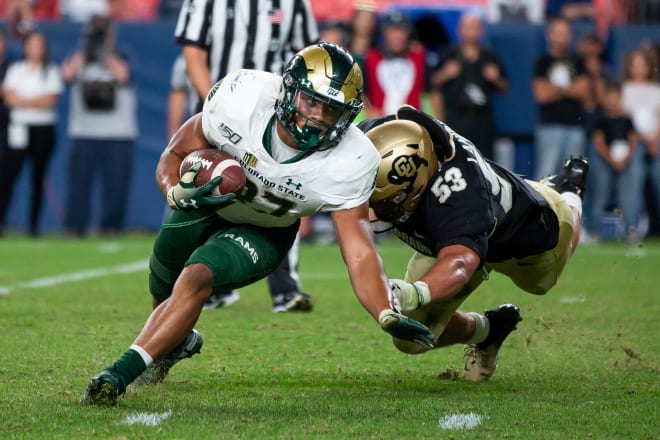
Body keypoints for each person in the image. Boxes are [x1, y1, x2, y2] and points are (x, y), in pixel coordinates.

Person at [80, 43, 435, 406]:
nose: (316, 118)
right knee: (162, 282)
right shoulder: (241, 99)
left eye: (330, 110)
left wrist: (384, 311)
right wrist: (175, 193)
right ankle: (176, 341)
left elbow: (359, 251)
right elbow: (174, 153)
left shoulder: (352, 159)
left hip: (265, 229)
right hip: (204, 203)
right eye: (311, 102)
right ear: (288, 92)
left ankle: (118, 374)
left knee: (197, 276)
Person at [358, 105, 588, 381]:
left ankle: (567, 191)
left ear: (416, 184)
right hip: (448, 237)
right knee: (409, 338)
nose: (373, 209)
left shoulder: (462, 196)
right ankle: (491, 330)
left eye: (384, 200)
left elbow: (459, 262)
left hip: (523, 235)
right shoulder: (384, 137)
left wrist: (408, 293)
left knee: (545, 275)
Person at [174, 0, 319, 312]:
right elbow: (193, 56)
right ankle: (211, 284)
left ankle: (285, 288)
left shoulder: (294, 3)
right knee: (212, 189)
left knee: (281, 192)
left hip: (275, 119)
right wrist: (216, 106)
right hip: (221, 111)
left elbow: (308, 58)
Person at [61, 15, 138, 237]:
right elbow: (66, 74)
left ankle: (111, 228)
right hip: (83, 132)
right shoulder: (80, 57)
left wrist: (106, 52)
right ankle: (75, 228)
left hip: (118, 134)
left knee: (115, 188)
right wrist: (86, 49)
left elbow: (124, 75)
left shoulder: (124, 55)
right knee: (78, 186)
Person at [0, 31, 62, 237]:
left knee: (38, 178)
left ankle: (33, 227)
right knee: (9, 176)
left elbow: (50, 100)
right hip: (18, 128)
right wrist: (35, 102)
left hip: (42, 130)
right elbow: (8, 97)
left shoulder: (51, 71)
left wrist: (24, 101)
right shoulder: (16, 70)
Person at [429, 12, 509, 161]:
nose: (471, 31)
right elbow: (431, 84)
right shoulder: (448, 54)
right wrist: (445, 74)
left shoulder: (489, 56)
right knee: (455, 161)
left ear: (481, 31)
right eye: (468, 27)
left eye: (475, 27)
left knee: (485, 163)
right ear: (459, 30)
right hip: (455, 119)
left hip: (482, 121)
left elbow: (505, 87)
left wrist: (496, 78)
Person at [532, 17, 589, 180]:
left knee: (574, 177)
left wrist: (554, 88)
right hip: (549, 126)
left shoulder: (578, 61)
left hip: (575, 127)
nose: (561, 37)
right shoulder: (542, 62)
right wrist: (570, 88)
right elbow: (541, 95)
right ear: (549, 35)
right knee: (547, 174)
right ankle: (542, 207)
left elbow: (584, 94)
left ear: (570, 36)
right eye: (558, 33)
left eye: (565, 33)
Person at [588, 80, 642, 242]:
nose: (612, 101)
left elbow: (633, 140)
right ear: (604, 99)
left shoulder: (627, 119)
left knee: (629, 197)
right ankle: (592, 232)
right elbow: (598, 142)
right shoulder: (600, 120)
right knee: (600, 194)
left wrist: (625, 158)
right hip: (605, 160)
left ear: (620, 98)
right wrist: (612, 160)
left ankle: (631, 232)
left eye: (615, 97)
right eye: (608, 98)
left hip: (626, 161)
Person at [621, 48, 660, 243]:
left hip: (656, 144)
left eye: (642, 64)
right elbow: (623, 120)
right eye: (635, 64)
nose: (638, 68)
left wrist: (655, 140)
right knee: (632, 186)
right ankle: (631, 230)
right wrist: (638, 138)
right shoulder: (624, 89)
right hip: (633, 145)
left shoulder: (656, 89)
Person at [363, 9, 426, 118]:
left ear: (408, 33)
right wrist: (368, 110)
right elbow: (360, 91)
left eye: (401, 30)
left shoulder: (418, 56)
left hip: (412, 122)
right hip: (380, 123)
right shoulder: (371, 58)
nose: (397, 36)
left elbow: (431, 91)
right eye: (392, 30)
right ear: (384, 33)